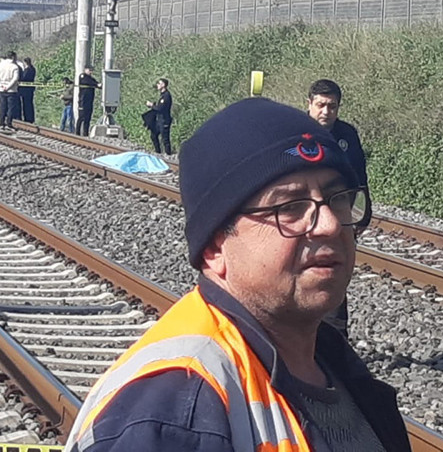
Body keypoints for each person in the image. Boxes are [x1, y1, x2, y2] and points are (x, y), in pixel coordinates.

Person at [64, 98, 406, 452]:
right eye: (289, 208)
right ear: (214, 247)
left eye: (337, 198)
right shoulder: (176, 410)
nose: (331, 224)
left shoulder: (336, 366)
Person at [308, 79, 369, 336]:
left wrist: (362, 215)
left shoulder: (347, 135)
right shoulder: (295, 131)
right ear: (309, 104)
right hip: (305, 219)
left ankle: (337, 341)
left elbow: (359, 179)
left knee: (335, 276)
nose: (326, 112)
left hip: (339, 217)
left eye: (331, 106)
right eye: (320, 105)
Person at [145, 77, 174, 155]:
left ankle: (168, 154)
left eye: (159, 83)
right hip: (159, 120)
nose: (157, 85)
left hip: (164, 120)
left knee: (165, 138)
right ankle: (158, 152)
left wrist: (151, 105)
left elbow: (160, 108)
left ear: (163, 85)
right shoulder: (162, 95)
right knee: (153, 135)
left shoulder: (166, 96)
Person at [0, 51, 21, 128]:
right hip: (11, 90)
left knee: (2, 106)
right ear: (12, 57)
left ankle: (2, 122)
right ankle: (9, 122)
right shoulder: (14, 67)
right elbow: (15, 78)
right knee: (11, 107)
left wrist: (1, 86)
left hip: (1, 89)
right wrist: (8, 87)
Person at [75, 65, 98, 137]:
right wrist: (96, 84)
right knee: (81, 117)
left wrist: (98, 84)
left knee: (88, 118)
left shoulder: (91, 79)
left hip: (89, 102)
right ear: (85, 70)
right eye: (89, 70)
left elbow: (96, 83)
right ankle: (77, 133)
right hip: (83, 101)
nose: (90, 72)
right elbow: (87, 82)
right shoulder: (83, 76)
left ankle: (85, 133)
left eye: (91, 70)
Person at [18, 56, 37, 124]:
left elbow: (24, 78)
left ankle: (28, 118)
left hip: (26, 89)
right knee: (29, 103)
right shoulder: (33, 69)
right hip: (30, 89)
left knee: (27, 104)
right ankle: (30, 118)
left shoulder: (28, 70)